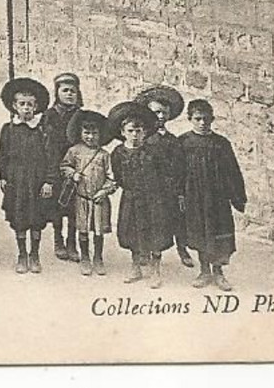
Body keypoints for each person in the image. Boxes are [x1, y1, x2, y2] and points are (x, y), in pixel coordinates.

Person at [179, 99, 247, 291]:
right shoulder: (184, 142)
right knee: (200, 232)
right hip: (195, 197)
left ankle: (218, 272)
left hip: (217, 198)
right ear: (190, 119)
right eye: (198, 119)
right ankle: (204, 270)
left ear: (213, 119)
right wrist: (179, 196)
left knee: (218, 233)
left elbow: (233, 171)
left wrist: (237, 197)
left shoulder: (221, 144)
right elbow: (176, 171)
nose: (202, 123)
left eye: (206, 119)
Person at [110, 101, 178, 287]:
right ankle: (135, 267)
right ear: (123, 132)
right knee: (131, 230)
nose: (134, 135)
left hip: (154, 199)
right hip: (131, 198)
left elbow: (165, 173)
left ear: (145, 132)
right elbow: (118, 175)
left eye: (139, 131)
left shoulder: (154, 152)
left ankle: (155, 270)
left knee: (156, 231)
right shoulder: (118, 153)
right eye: (130, 131)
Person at [0, 77, 58, 274]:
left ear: (36, 106)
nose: (26, 108)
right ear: (14, 106)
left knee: (36, 217)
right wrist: (3, 176)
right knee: (19, 217)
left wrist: (49, 181)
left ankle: (35, 254)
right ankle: (22, 254)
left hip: (37, 180)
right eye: (21, 104)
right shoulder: (8, 130)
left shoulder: (43, 130)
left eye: (30, 105)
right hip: (17, 181)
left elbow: (51, 158)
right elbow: (2, 156)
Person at [137, 84, 196, 269]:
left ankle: (182, 248)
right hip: (150, 188)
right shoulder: (143, 139)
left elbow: (180, 167)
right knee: (150, 220)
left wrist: (179, 190)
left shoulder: (173, 141)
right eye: (156, 112)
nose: (160, 117)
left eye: (164, 113)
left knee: (177, 218)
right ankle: (146, 252)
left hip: (170, 187)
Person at [59, 108, 117, 277]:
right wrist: (73, 174)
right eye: (86, 133)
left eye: (94, 133)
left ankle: (98, 258)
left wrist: (104, 191)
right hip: (81, 198)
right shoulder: (74, 151)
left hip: (99, 199)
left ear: (101, 134)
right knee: (83, 228)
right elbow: (64, 166)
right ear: (80, 133)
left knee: (98, 229)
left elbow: (112, 177)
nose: (90, 137)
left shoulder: (104, 155)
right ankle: (85, 257)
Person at [46, 73, 85, 262]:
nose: (69, 94)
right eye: (65, 91)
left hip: (75, 165)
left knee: (74, 207)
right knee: (57, 205)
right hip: (54, 164)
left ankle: (72, 242)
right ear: (57, 92)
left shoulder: (80, 115)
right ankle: (58, 240)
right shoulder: (49, 115)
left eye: (73, 91)